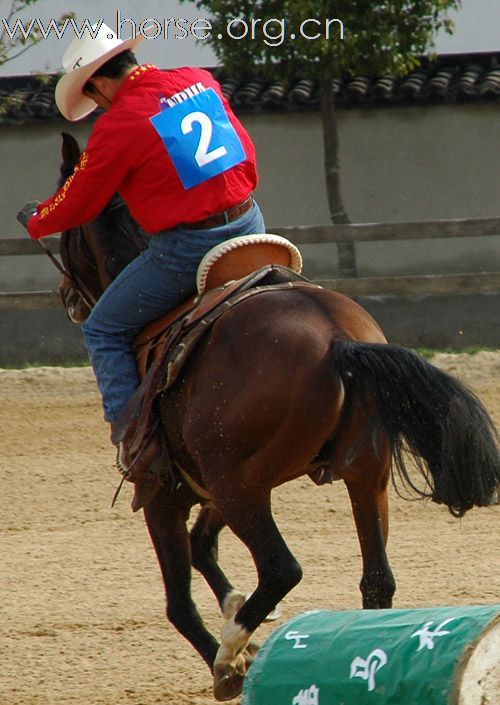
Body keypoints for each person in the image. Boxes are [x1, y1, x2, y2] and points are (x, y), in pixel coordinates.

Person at [17, 23, 265, 510]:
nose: (99, 108)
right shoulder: (198, 77)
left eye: (96, 98)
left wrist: (37, 220)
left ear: (99, 84)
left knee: (104, 329)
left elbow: (80, 202)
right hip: (252, 221)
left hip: (189, 246)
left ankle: (135, 439)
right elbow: (244, 150)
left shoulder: (119, 122)